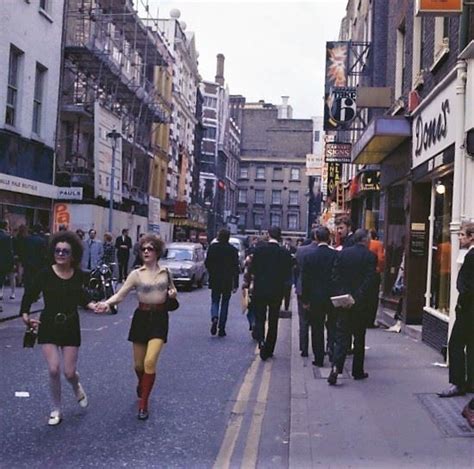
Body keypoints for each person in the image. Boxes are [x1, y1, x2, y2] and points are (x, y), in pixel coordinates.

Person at [96, 234, 178, 420]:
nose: (146, 252)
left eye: (150, 249)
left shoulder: (166, 272)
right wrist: (106, 303)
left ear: (157, 252)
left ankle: (144, 404)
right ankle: (143, 383)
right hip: (141, 319)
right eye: (143, 249)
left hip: (159, 319)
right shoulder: (136, 274)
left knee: (150, 362)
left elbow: (173, 292)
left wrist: (172, 294)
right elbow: (121, 294)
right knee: (139, 365)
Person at [20, 231, 96, 425]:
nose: (61, 254)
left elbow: (82, 297)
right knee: (54, 369)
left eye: (65, 252)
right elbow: (30, 294)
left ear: (73, 255)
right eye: (57, 251)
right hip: (48, 325)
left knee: (69, 372)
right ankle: (56, 410)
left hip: (70, 325)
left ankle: (76, 385)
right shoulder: (45, 274)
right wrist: (25, 314)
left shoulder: (78, 275)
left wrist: (94, 305)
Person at [328, 229, 377, 385]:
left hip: (344, 302)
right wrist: (358, 296)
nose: (370, 241)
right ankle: (357, 371)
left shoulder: (343, 254)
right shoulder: (370, 257)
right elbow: (370, 280)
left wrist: (344, 294)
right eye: (369, 238)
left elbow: (335, 276)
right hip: (361, 304)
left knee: (342, 337)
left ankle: (336, 367)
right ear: (365, 240)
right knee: (359, 338)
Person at [438, 222, 474, 398]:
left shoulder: (471, 256)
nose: (459, 237)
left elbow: (466, 285)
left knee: (456, 344)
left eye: (462, 234)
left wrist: (461, 303)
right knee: (471, 346)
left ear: (471, 236)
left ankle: (458, 383)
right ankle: (471, 383)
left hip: (468, 309)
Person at [250, 226, 293, 361]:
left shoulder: (259, 250)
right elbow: (288, 273)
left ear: (268, 235)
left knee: (260, 317)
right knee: (273, 321)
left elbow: (253, 270)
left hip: (260, 290)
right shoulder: (284, 253)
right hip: (276, 291)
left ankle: (261, 341)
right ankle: (269, 349)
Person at [301, 226, 338, 367]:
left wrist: (305, 299)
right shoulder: (335, 255)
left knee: (317, 328)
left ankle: (319, 358)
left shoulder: (309, 256)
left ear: (316, 238)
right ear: (329, 238)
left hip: (315, 297)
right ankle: (332, 351)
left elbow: (305, 279)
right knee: (332, 325)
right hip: (332, 296)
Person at [205, 229, 240, 337]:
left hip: (215, 279)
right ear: (228, 237)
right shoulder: (233, 250)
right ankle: (222, 328)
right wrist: (236, 284)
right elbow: (236, 268)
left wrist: (211, 272)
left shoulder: (213, 248)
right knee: (225, 303)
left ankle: (214, 317)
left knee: (215, 300)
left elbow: (207, 263)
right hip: (227, 280)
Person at [294, 230, 318, 358]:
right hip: (318, 290)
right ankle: (317, 350)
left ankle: (303, 348)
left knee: (303, 320)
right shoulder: (323, 251)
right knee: (316, 321)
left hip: (302, 288)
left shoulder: (301, 250)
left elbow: (297, 269)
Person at [23, 224, 48, 298]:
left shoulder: (27, 239)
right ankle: (34, 295)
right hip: (38, 264)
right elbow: (43, 254)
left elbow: (23, 251)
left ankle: (27, 293)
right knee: (36, 280)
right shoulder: (42, 240)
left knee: (28, 279)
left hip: (28, 262)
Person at [367, 230, 385, 328]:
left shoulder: (365, 244)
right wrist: (380, 269)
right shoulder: (378, 244)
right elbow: (381, 258)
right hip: (375, 272)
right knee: (373, 298)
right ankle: (370, 321)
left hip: (364, 272)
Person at [0, 220, 14, 313]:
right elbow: (9, 252)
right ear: (5, 226)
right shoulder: (7, 237)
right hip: (2, 262)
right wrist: (11, 264)